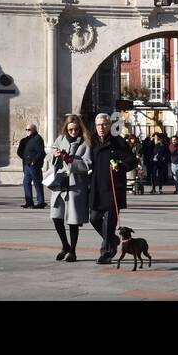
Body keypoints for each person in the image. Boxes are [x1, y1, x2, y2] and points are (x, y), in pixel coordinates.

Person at [88, 113, 137, 264]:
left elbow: (132, 160)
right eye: (98, 125)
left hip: (113, 188)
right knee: (94, 218)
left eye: (104, 125)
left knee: (109, 222)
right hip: (96, 188)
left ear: (109, 125)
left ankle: (107, 252)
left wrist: (120, 166)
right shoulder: (92, 142)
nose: (101, 128)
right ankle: (113, 239)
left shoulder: (118, 142)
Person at [45, 114, 91, 261]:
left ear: (80, 129)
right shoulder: (60, 139)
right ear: (66, 128)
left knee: (73, 219)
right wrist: (55, 155)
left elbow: (87, 164)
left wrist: (70, 159)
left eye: (76, 129)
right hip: (60, 184)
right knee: (56, 216)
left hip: (75, 185)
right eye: (70, 129)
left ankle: (73, 250)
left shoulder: (85, 143)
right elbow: (49, 158)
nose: (73, 132)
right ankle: (65, 245)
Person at [17, 123, 47, 209]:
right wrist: (25, 158)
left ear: (34, 130)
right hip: (26, 165)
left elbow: (41, 152)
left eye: (29, 129)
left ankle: (41, 202)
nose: (27, 131)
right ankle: (29, 202)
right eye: (26, 129)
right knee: (26, 182)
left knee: (37, 183)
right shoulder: (25, 140)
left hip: (34, 166)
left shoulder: (37, 139)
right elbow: (20, 152)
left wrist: (34, 161)